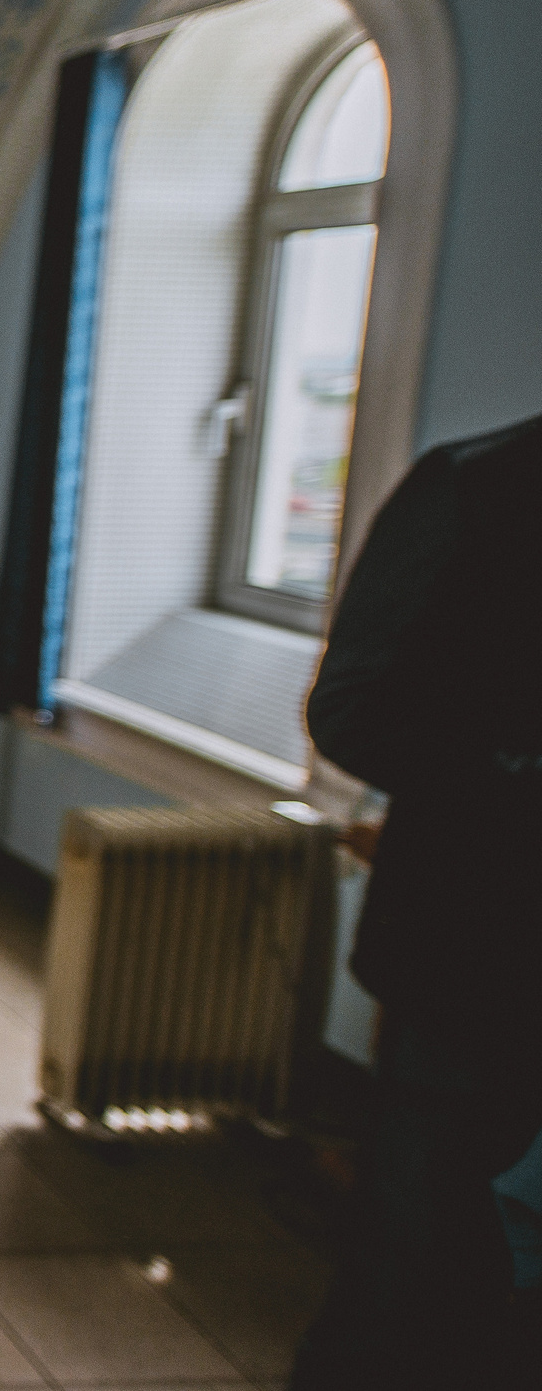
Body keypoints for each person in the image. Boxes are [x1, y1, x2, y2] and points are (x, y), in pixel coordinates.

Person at [290, 412, 542, 1390]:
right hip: (468, 939)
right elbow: (347, 707)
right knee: (413, 1243)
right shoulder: (475, 484)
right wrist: (516, 768)